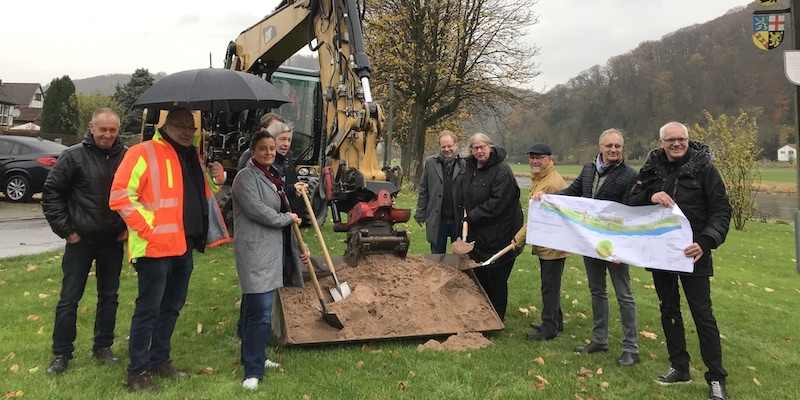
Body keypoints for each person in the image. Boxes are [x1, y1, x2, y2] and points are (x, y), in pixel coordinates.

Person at [109, 107, 230, 394]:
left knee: (172, 308)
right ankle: (137, 371)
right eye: (181, 126)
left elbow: (201, 194)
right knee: (148, 311)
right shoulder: (143, 152)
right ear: (166, 125)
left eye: (192, 127)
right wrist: (146, 227)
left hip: (182, 246)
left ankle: (159, 359)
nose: (188, 132)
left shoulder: (190, 156)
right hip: (154, 249)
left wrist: (218, 176)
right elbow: (120, 195)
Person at [627, 121, 731, 400]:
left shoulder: (705, 169)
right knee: (668, 309)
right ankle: (679, 366)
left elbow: (721, 210)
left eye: (681, 139)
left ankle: (716, 378)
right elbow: (631, 197)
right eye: (670, 140)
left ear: (688, 140)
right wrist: (651, 194)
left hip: (694, 254)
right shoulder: (651, 169)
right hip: (661, 254)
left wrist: (706, 242)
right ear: (661, 142)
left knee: (703, 315)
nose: (676, 144)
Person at [531, 129, 639, 365]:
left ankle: (631, 348)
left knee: (624, 295)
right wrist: (547, 199)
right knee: (597, 291)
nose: (613, 150)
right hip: (591, 244)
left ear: (622, 149)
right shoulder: (589, 170)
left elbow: (633, 212)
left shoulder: (630, 176)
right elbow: (573, 193)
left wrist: (624, 248)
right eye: (609, 146)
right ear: (600, 147)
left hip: (617, 247)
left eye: (618, 146)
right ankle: (600, 340)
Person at [41, 107, 128, 374]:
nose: (108, 135)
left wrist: (128, 226)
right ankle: (61, 353)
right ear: (91, 127)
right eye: (102, 129)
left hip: (112, 240)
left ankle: (103, 347)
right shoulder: (73, 156)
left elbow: (140, 193)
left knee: (109, 297)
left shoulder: (127, 158)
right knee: (69, 298)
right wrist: (67, 231)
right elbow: (52, 194)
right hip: (80, 240)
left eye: (113, 130)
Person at [232, 131, 308, 390]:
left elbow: (282, 205)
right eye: (263, 148)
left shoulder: (272, 176)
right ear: (252, 152)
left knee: (262, 311)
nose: (269, 152)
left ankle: (257, 357)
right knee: (260, 312)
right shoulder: (245, 177)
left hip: (271, 251)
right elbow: (259, 211)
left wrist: (299, 245)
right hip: (254, 252)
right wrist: (288, 218)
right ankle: (252, 371)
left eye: (272, 148)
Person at [459, 133, 523, 321]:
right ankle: (481, 314)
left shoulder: (502, 171)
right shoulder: (470, 168)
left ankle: (496, 317)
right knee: (480, 277)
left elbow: (498, 203)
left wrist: (472, 216)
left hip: (500, 234)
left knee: (496, 279)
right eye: (475, 148)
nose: (479, 151)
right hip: (479, 234)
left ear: (490, 147)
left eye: (482, 147)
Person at [513, 143, 569, 341]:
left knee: (549, 286)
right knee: (551, 283)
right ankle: (556, 321)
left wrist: (516, 241)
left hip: (553, 242)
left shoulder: (550, 184)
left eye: (539, 157)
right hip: (548, 239)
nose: (535, 161)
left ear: (549, 159)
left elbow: (538, 219)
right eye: (532, 157)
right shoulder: (540, 178)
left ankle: (549, 327)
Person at [414, 130, 465, 254]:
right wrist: (420, 214)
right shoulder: (430, 163)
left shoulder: (466, 163)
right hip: (438, 219)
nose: (446, 149)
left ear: (456, 145)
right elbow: (424, 190)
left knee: (459, 257)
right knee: (436, 257)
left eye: (449, 146)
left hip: (458, 219)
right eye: (443, 147)